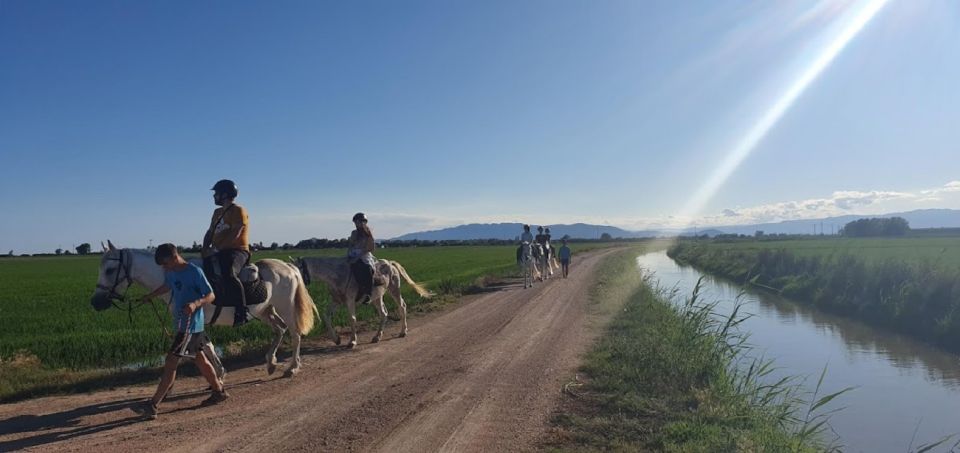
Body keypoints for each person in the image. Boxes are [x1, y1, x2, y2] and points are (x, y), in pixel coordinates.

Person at [133, 244, 228, 420]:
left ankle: (153, 404)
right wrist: (149, 296)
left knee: (171, 362)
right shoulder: (171, 271)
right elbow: (167, 286)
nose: (164, 268)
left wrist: (195, 304)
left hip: (190, 326)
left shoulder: (194, 272)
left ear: (174, 258)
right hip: (185, 325)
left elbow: (210, 295)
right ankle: (219, 391)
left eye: (165, 264)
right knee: (200, 359)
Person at [202, 179, 250, 326]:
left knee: (229, 273)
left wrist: (216, 249)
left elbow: (235, 233)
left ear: (225, 194)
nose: (214, 196)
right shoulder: (217, 212)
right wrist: (204, 248)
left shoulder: (238, 211)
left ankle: (242, 311)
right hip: (218, 251)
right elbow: (210, 232)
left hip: (237, 251)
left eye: (216, 193)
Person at [348, 212, 376, 304]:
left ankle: (368, 294)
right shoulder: (354, 233)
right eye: (355, 222)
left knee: (367, 269)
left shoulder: (368, 234)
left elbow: (371, 248)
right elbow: (351, 245)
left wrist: (358, 256)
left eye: (358, 222)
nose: (356, 224)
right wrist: (350, 253)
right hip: (353, 253)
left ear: (364, 222)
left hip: (364, 255)